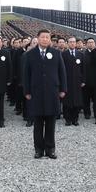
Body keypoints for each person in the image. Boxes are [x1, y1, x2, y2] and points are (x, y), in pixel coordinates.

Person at [23, 29, 67, 159]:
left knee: (50, 123)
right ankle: (38, 149)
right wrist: (27, 91)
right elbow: (26, 74)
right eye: (43, 37)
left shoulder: (56, 53)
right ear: (38, 38)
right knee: (37, 124)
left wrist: (63, 89)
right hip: (36, 93)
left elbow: (62, 72)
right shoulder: (30, 55)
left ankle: (50, 149)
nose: (45, 39)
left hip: (52, 92)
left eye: (47, 37)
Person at [61, 36, 85, 126]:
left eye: (74, 42)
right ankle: (68, 119)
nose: (72, 43)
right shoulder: (63, 54)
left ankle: (75, 119)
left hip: (77, 82)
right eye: (70, 42)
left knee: (77, 101)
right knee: (67, 101)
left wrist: (83, 81)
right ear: (67, 43)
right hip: (66, 81)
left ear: (76, 43)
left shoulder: (80, 54)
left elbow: (83, 69)